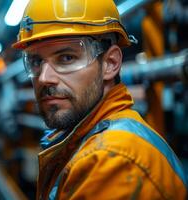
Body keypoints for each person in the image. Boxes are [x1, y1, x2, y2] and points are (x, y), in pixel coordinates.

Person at [12, 0, 187, 199]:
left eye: (66, 58)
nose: (44, 78)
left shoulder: (114, 161)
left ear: (110, 64)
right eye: (36, 61)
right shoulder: (85, 140)